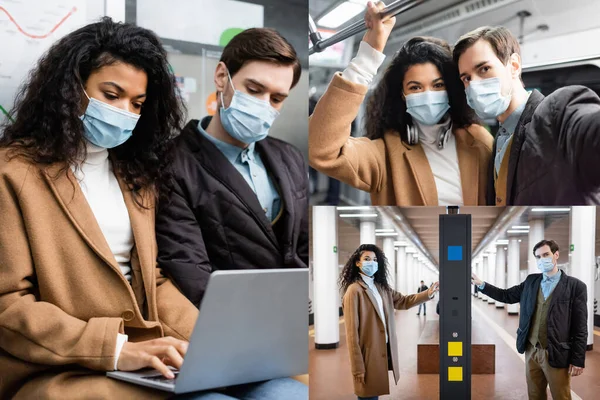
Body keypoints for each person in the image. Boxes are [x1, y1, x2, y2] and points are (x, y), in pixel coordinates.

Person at [0, 18, 304, 400]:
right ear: (70, 87)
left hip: (152, 350)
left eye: (137, 103)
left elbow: (154, 279)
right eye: (111, 95)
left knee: (285, 391)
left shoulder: (133, 174)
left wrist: (213, 344)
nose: (125, 111)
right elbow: (8, 305)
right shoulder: (13, 173)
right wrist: (116, 350)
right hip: (64, 365)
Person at [155, 28, 309, 309]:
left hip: (293, 310)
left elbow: (304, 244)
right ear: (222, 76)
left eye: (276, 99)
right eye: (254, 90)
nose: (264, 105)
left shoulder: (290, 158)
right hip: (229, 314)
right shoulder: (173, 164)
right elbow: (189, 268)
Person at [309, 1, 493, 206]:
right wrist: (367, 58)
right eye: (415, 87)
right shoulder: (384, 155)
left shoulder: (478, 141)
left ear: (450, 89)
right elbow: (320, 149)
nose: (428, 94)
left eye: (438, 85)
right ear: (402, 95)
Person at [454, 26, 600, 205]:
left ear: (514, 66)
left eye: (484, 69)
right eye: (466, 78)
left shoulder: (556, 113)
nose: (474, 85)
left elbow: (590, 131)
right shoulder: (498, 141)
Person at [471, 240, 587, 399]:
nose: (542, 259)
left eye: (546, 254)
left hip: (556, 352)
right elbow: (506, 295)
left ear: (556, 255)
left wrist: (578, 359)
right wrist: (482, 284)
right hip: (531, 350)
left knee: (561, 395)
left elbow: (580, 327)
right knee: (534, 394)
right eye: (538, 257)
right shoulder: (531, 281)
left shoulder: (575, 286)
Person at [340, 244, 439, 399]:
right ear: (357, 263)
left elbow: (404, 301)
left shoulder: (381, 288)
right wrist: (357, 368)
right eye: (366, 259)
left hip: (381, 350)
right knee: (368, 395)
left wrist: (428, 293)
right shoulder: (354, 291)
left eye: (374, 259)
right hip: (367, 355)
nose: (371, 263)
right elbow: (352, 335)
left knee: (374, 394)